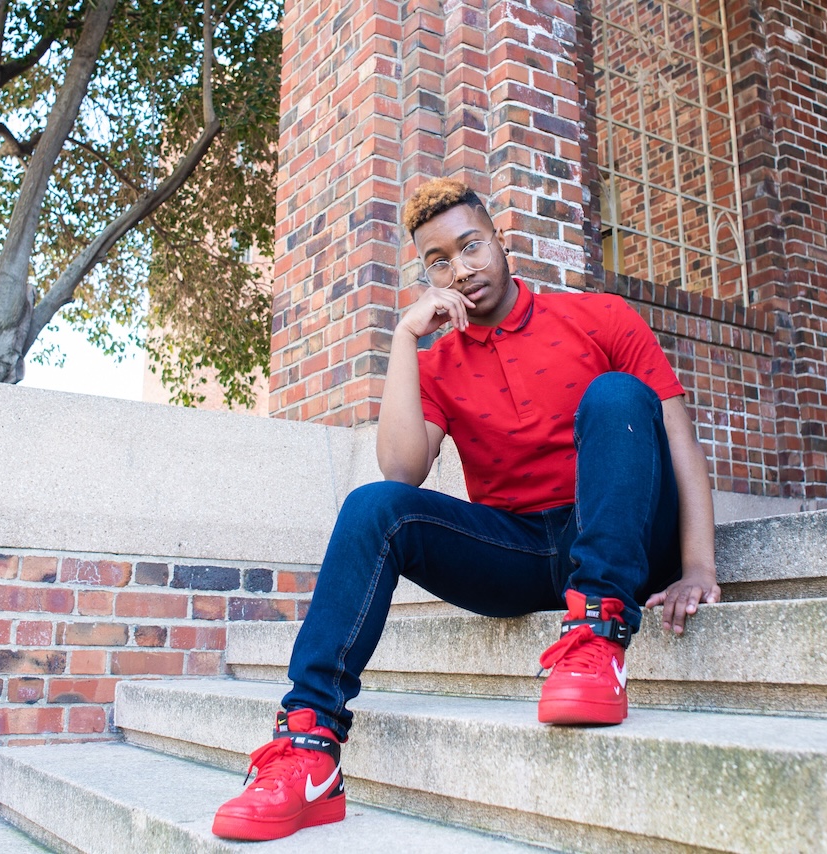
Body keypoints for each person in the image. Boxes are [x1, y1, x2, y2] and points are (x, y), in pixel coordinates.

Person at [211, 178, 720, 842]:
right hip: (519, 551)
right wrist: (403, 341)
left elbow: (678, 439)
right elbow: (401, 469)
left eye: (471, 246)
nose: (463, 269)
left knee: (618, 396)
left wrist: (698, 563)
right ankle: (309, 749)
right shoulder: (440, 363)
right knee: (375, 507)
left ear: (498, 239)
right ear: (428, 274)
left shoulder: (600, 317)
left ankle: (598, 639)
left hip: (621, 536)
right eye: (440, 260)